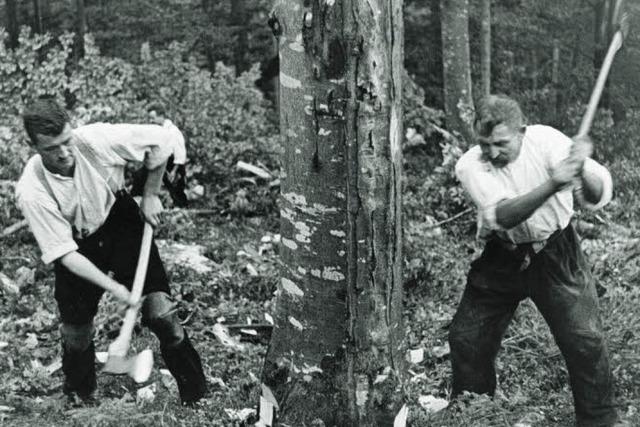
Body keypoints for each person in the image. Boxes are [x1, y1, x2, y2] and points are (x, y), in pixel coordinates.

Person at [15, 97, 206, 405]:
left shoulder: (96, 140)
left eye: (67, 141)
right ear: (34, 146)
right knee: (76, 331)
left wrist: (151, 194)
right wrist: (116, 288)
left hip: (121, 223)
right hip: (77, 247)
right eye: (52, 148)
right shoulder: (32, 190)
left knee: (162, 313)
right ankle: (81, 399)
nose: (65, 153)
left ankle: (197, 397)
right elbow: (66, 255)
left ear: (71, 129)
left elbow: (161, 141)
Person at [449, 94, 619, 426]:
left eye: (501, 143)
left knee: (585, 339)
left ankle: (600, 421)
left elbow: (598, 195)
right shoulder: (470, 164)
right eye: (485, 145)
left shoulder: (548, 141)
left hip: (557, 252)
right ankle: (474, 415)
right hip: (503, 256)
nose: (492, 153)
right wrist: (554, 182)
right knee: (467, 338)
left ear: (522, 130)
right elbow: (502, 215)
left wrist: (582, 166)